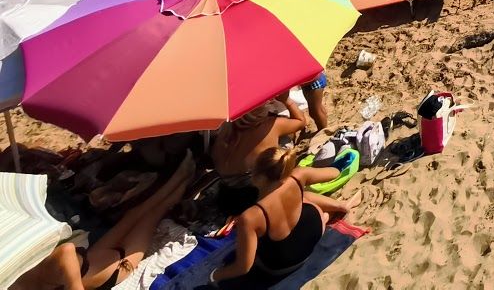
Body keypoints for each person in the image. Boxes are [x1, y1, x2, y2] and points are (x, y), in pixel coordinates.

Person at [15, 154, 198, 290]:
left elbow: (66, 251)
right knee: (154, 214)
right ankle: (184, 180)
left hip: (92, 261)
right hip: (115, 270)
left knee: (134, 215)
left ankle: (179, 177)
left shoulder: (18, 280)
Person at [208, 148, 348, 287]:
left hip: (282, 264)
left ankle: (328, 215)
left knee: (256, 241)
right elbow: (334, 173)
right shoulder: (299, 174)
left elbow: (243, 267)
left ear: (261, 178)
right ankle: (339, 208)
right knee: (304, 198)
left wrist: (215, 275)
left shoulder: (251, 216)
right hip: (313, 233)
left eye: (253, 172)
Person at [211, 99, 312, 212]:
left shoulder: (225, 128)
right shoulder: (270, 125)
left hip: (227, 194)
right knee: (284, 142)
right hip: (257, 193)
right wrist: (287, 100)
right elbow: (301, 121)